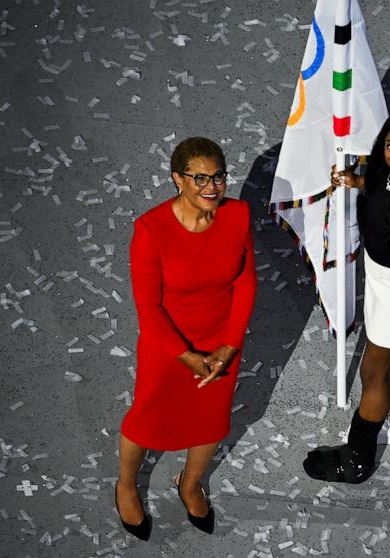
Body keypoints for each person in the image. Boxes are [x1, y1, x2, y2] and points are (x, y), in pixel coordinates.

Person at [114, 137, 257, 539]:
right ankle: (126, 485)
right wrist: (185, 355)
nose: (212, 187)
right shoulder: (151, 229)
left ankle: (189, 484)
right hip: (168, 344)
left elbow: (245, 279)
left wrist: (230, 343)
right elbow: (149, 308)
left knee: (211, 422)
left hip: (222, 341)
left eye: (218, 177)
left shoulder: (238, 216)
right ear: (178, 179)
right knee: (146, 419)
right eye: (200, 178)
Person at [303, 110, 390, 483]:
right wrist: (354, 180)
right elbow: (379, 188)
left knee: (373, 371)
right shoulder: (385, 175)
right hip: (381, 278)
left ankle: (358, 459)